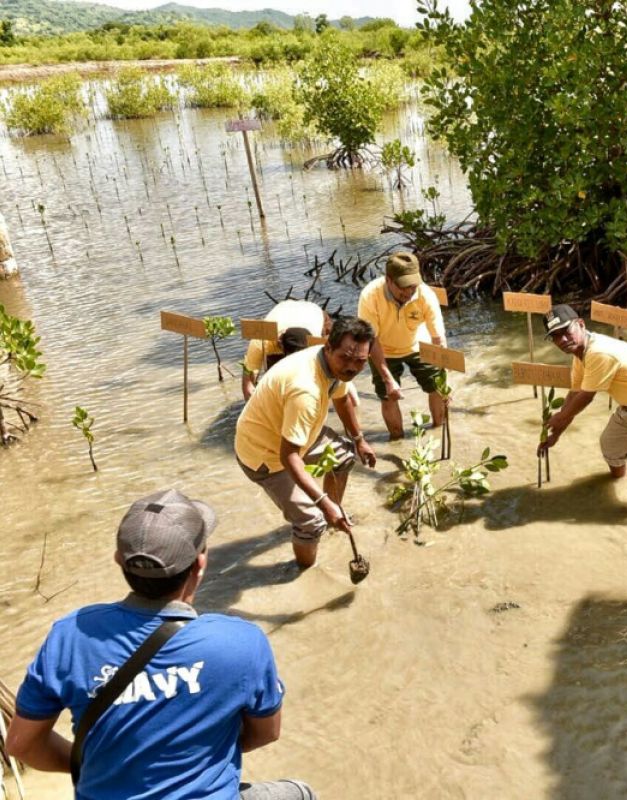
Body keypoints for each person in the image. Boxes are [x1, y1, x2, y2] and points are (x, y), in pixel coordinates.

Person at [4, 489, 316, 800]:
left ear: (118, 560)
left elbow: (21, 744)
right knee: (300, 793)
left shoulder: (70, 635)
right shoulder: (242, 641)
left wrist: (98, 763)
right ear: (201, 562)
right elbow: (266, 733)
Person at [235, 316, 377, 568]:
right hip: (263, 454)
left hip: (295, 433)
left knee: (344, 456)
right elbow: (288, 456)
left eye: (360, 361)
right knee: (311, 522)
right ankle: (304, 572)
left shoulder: (335, 368)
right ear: (328, 348)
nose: (352, 367)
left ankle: (331, 514)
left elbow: (342, 399)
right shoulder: (306, 390)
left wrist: (359, 440)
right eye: (345, 357)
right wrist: (323, 502)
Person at [539, 305, 627, 512]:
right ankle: (615, 483)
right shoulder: (580, 354)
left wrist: (560, 418)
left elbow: (587, 397)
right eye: (555, 336)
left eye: (566, 331)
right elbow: (574, 395)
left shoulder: (598, 353)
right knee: (610, 447)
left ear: (580, 324)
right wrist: (555, 435)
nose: (562, 340)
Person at [358, 252, 448, 439]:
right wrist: (388, 378)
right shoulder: (370, 296)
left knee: (438, 388)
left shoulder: (425, 294)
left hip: (418, 344)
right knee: (387, 396)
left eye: (412, 287)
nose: (408, 293)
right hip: (382, 348)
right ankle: (397, 439)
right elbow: (371, 340)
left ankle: (439, 431)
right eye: (403, 288)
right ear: (388, 280)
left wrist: (444, 374)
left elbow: (438, 338)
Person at [241, 300, 331, 401]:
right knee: (275, 374)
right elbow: (248, 384)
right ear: (281, 344)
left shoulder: (316, 344)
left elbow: (334, 372)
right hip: (284, 310)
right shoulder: (261, 341)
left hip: (314, 312)